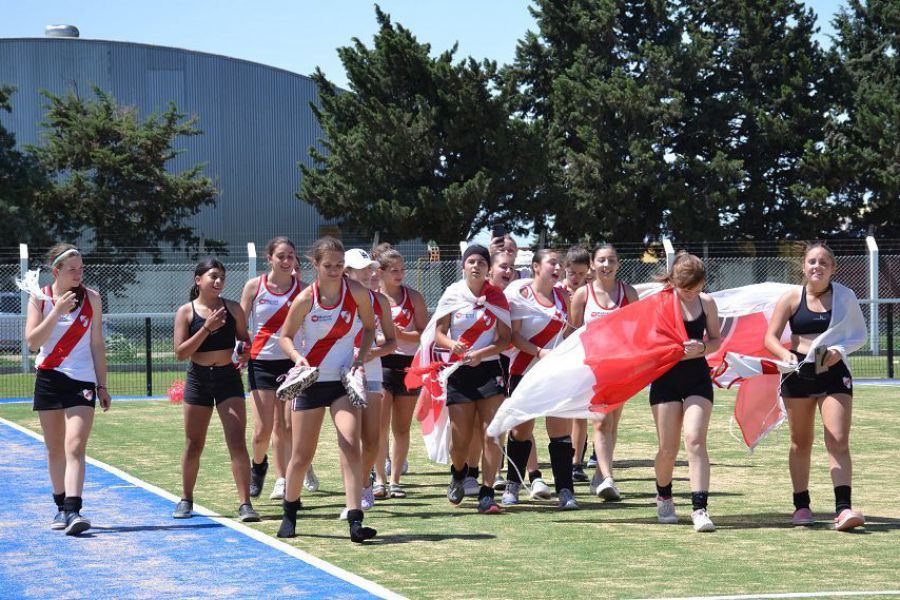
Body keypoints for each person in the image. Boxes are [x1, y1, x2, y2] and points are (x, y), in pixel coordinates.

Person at [275, 237, 378, 543]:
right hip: (310, 382)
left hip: (342, 382)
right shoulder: (306, 298)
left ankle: (355, 520)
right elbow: (285, 337)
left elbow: (370, 327)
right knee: (302, 455)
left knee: (349, 443)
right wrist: (297, 358)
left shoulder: (357, 292)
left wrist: (360, 357)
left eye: (339, 265)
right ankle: (290, 512)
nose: (334, 270)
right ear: (315, 265)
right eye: (328, 265)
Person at [764, 243, 867, 531]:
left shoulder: (845, 297)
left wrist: (838, 349)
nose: (817, 266)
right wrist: (783, 354)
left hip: (833, 373)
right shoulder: (791, 298)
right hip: (797, 372)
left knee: (837, 438)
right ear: (804, 266)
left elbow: (859, 335)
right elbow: (770, 337)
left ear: (833, 268)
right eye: (812, 261)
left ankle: (843, 509)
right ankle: (801, 506)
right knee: (800, 441)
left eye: (823, 262)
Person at [24, 244, 112, 536]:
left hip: (82, 380)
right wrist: (57, 311)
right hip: (49, 378)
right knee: (54, 448)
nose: (78, 273)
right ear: (56, 271)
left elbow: (97, 344)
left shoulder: (93, 299)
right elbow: (33, 342)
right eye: (72, 268)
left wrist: (103, 385)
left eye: (81, 268)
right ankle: (61, 504)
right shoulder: (40, 299)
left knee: (75, 446)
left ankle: (74, 510)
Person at [172, 259, 259, 522]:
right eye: (213, 276)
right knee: (193, 443)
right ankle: (186, 498)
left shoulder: (233, 309)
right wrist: (207, 328)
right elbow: (180, 353)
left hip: (228, 379)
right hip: (198, 379)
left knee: (236, 440)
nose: (218, 281)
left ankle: (245, 504)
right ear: (198, 280)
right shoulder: (186, 312)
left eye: (222, 277)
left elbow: (245, 341)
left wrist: (245, 352)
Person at [436, 244, 511, 514]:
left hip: (489, 370)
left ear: (488, 268)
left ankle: (487, 491)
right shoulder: (452, 294)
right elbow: (439, 333)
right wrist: (451, 344)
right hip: (460, 372)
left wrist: (482, 353)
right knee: (461, 440)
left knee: (492, 433)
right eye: (471, 261)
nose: (476, 266)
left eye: (481, 262)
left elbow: (505, 339)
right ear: (463, 266)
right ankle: (458, 474)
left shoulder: (497, 297)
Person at [649, 253, 721, 532]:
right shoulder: (661, 302)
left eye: (697, 287)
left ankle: (700, 508)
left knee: (695, 440)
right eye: (686, 288)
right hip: (665, 378)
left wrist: (702, 348)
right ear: (673, 282)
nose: (692, 293)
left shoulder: (707, 302)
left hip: (697, 378)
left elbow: (715, 339)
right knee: (668, 448)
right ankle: (664, 496)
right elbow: (648, 341)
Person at [502, 249, 579, 510]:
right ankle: (513, 484)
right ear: (536, 267)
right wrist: (538, 352)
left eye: (560, 264)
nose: (558, 268)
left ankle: (566, 490)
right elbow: (514, 337)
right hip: (524, 370)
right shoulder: (519, 297)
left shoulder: (563, 297)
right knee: (521, 430)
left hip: (555, 374)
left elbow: (569, 331)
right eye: (552, 263)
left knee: (560, 432)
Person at [570, 244, 639, 500]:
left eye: (611, 260)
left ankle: (600, 474)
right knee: (599, 421)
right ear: (592, 264)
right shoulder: (582, 295)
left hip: (620, 367)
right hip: (592, 369)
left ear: (618, 264)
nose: (606, 265)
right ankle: (608, 478)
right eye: (601, 260)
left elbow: (638, 331)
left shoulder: (628, 293)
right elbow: (572, 333)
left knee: (611, 423)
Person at [241, 237, 305, 501]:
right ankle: (258, 466)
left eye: (290, 255)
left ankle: (283, 480)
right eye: (281, 256)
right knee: (262, 430)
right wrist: (240, 347)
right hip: (260, 363)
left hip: (291, 363)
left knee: (287, 426)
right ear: (269, 259)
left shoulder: (304, 290)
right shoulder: (255, 287)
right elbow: (240, 322)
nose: (286, 261)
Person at [372, 244, 427, 499]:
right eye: (393, 270)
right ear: (380, 272)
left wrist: (400, 333)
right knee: (379, 426)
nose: (399, 274)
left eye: (402, 269)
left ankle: (395, 480)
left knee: (402, 428)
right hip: (381, 363)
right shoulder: (372, 296)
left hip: (408, 366)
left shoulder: (413, 297)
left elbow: (424, 335)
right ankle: (380, 480)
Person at [345, 248, 397, 510]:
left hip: (372, 370)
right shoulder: (335, 300)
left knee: (373, 441)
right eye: (361, 269)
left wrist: (369, 353)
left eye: (370, 268)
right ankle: (352, 497)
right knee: (350, 439)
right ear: (347, 272)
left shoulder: (380, 302)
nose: (369, 273)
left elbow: (391, 342)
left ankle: (365, 482)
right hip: (341, 373)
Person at [558, 245, 593, 481]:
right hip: (559, 356)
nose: (577, 279)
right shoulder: (557, 291)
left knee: (580, 411)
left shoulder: (591, 292)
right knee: (561, 412)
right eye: (573, 274)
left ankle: (576, 462)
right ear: (564, 269)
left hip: (584, 357)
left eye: (582, 274)